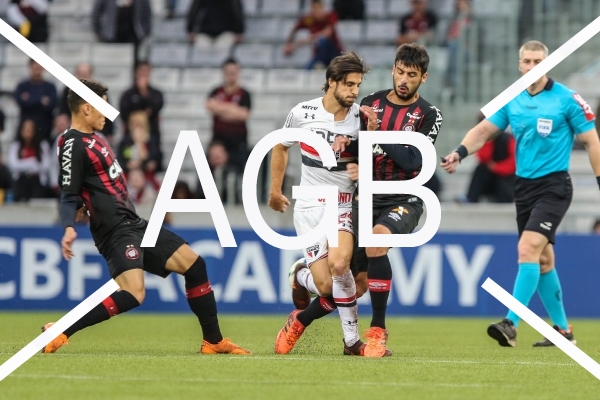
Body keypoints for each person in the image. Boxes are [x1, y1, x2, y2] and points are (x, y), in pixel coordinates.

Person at [41, 79, 251, 356]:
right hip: (114, 230)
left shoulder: (95, 138)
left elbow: (88, 185)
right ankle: (61, 330)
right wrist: (69, 226)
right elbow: (68, 192)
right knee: (133, 293)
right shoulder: (71, 143)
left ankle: (213, 341)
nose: (108, 112)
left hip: (134, 223)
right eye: (103, 105)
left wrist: (84, 199)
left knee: (194, 265)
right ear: (86, 108)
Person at [441, 40, 600, 347]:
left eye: (537, 62)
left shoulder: (567, 99)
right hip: (524, 188)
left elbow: (592, 141)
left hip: (554, 187)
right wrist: (460, 152)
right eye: (526, 61)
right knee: (542, 261)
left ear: (547, 63)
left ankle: (511, 323)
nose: (531, 67)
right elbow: (484, 131)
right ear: (519, 64)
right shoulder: (512, 99)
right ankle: (563, 331)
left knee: (527, 249)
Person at [269, 52, 373, 356]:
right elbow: (280, 146)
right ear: (331, 82)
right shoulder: (302, 112)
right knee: (326, 287)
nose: (355, 91)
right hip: (310, 206)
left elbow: (373, 160)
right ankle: (300, 276)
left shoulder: (362, 118)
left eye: (358, 85)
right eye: (349, 84)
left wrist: (362, 167)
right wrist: (275, 191)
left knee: (341, 265)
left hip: (342, 203)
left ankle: (352, 341)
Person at [342, 43, 443, 357]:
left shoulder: (429, 114)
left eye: (411, 75)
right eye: (400, 72)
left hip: (405, 198)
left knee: (377, 243)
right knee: (351, 281)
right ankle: (301, 306)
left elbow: (414, 160)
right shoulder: (370, 102)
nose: (403, 79)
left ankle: (378, 330)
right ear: (393, 69)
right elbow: (356, 148)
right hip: (366, 196)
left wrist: (378, 131)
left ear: (423, 78)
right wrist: (351, 157)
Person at [205, 58, 251, 170]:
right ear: (224, 73)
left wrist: (220, 109)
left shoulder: (244, 94)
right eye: (228, 72)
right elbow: (210, 106)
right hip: (218, 141)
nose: (231, 75)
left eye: (234, 72)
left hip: (238, 143)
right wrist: (232, 108)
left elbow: (243, 115)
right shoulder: (216, 91)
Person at [119, 61, 164, 170]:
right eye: (141, 71)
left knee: (152, 158)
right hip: (130, 136)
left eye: (146, 71)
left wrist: (144, 93)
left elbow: (156, 106)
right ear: (136, 72)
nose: (144, 74)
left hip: (151, 134)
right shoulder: (128, 94)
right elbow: (124, 112)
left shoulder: (155, 93)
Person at [464, 113, 516, 203]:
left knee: (503, 182)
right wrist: (488, 140)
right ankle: (471, 199)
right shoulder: (482, 140)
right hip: (492, 179)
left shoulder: (508, 139)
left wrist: (496, 167)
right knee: (481, 169)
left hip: (507, 180)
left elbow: (513, 164)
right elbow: (483, 158)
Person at [57, 63, 114, 144]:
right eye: (80, 74)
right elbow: (63, 113)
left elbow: (108, 116)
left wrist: (109, 134)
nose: (83, 78)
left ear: (90, 76)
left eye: (85, 74)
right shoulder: (67, 91)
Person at [284, 0, 343, 70]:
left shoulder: (330, 16)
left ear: (323, 8)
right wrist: (288, 43)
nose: (317, 11)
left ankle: (321, 63)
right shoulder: (309, 20)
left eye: (318, 8)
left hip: (333, 52)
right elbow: (295, 28)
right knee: (307, 69)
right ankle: (319, 64)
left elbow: (327, 33)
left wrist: (299, 43)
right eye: (314, 8)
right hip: (318, 54)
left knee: (322, 41)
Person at [14, 59, 57, 143]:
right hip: (25, 128)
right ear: (30, 68)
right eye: (35, 67)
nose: (37, 69)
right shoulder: (22, 86)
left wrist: (30, 99)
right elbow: (20, 103)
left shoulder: (50, 87)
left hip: (45, 129)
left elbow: (51, 106)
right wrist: (41, 100)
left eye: (39, 67)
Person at [8, 119, 51, 202]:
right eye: (25, 129)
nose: (28, 132)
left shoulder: (42, 145)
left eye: (30, 129)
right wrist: (32, 163)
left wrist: (24, 165)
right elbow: (13, 165)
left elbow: (46, 165)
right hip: (21, 180)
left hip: (37, 181)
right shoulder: (16, 146)